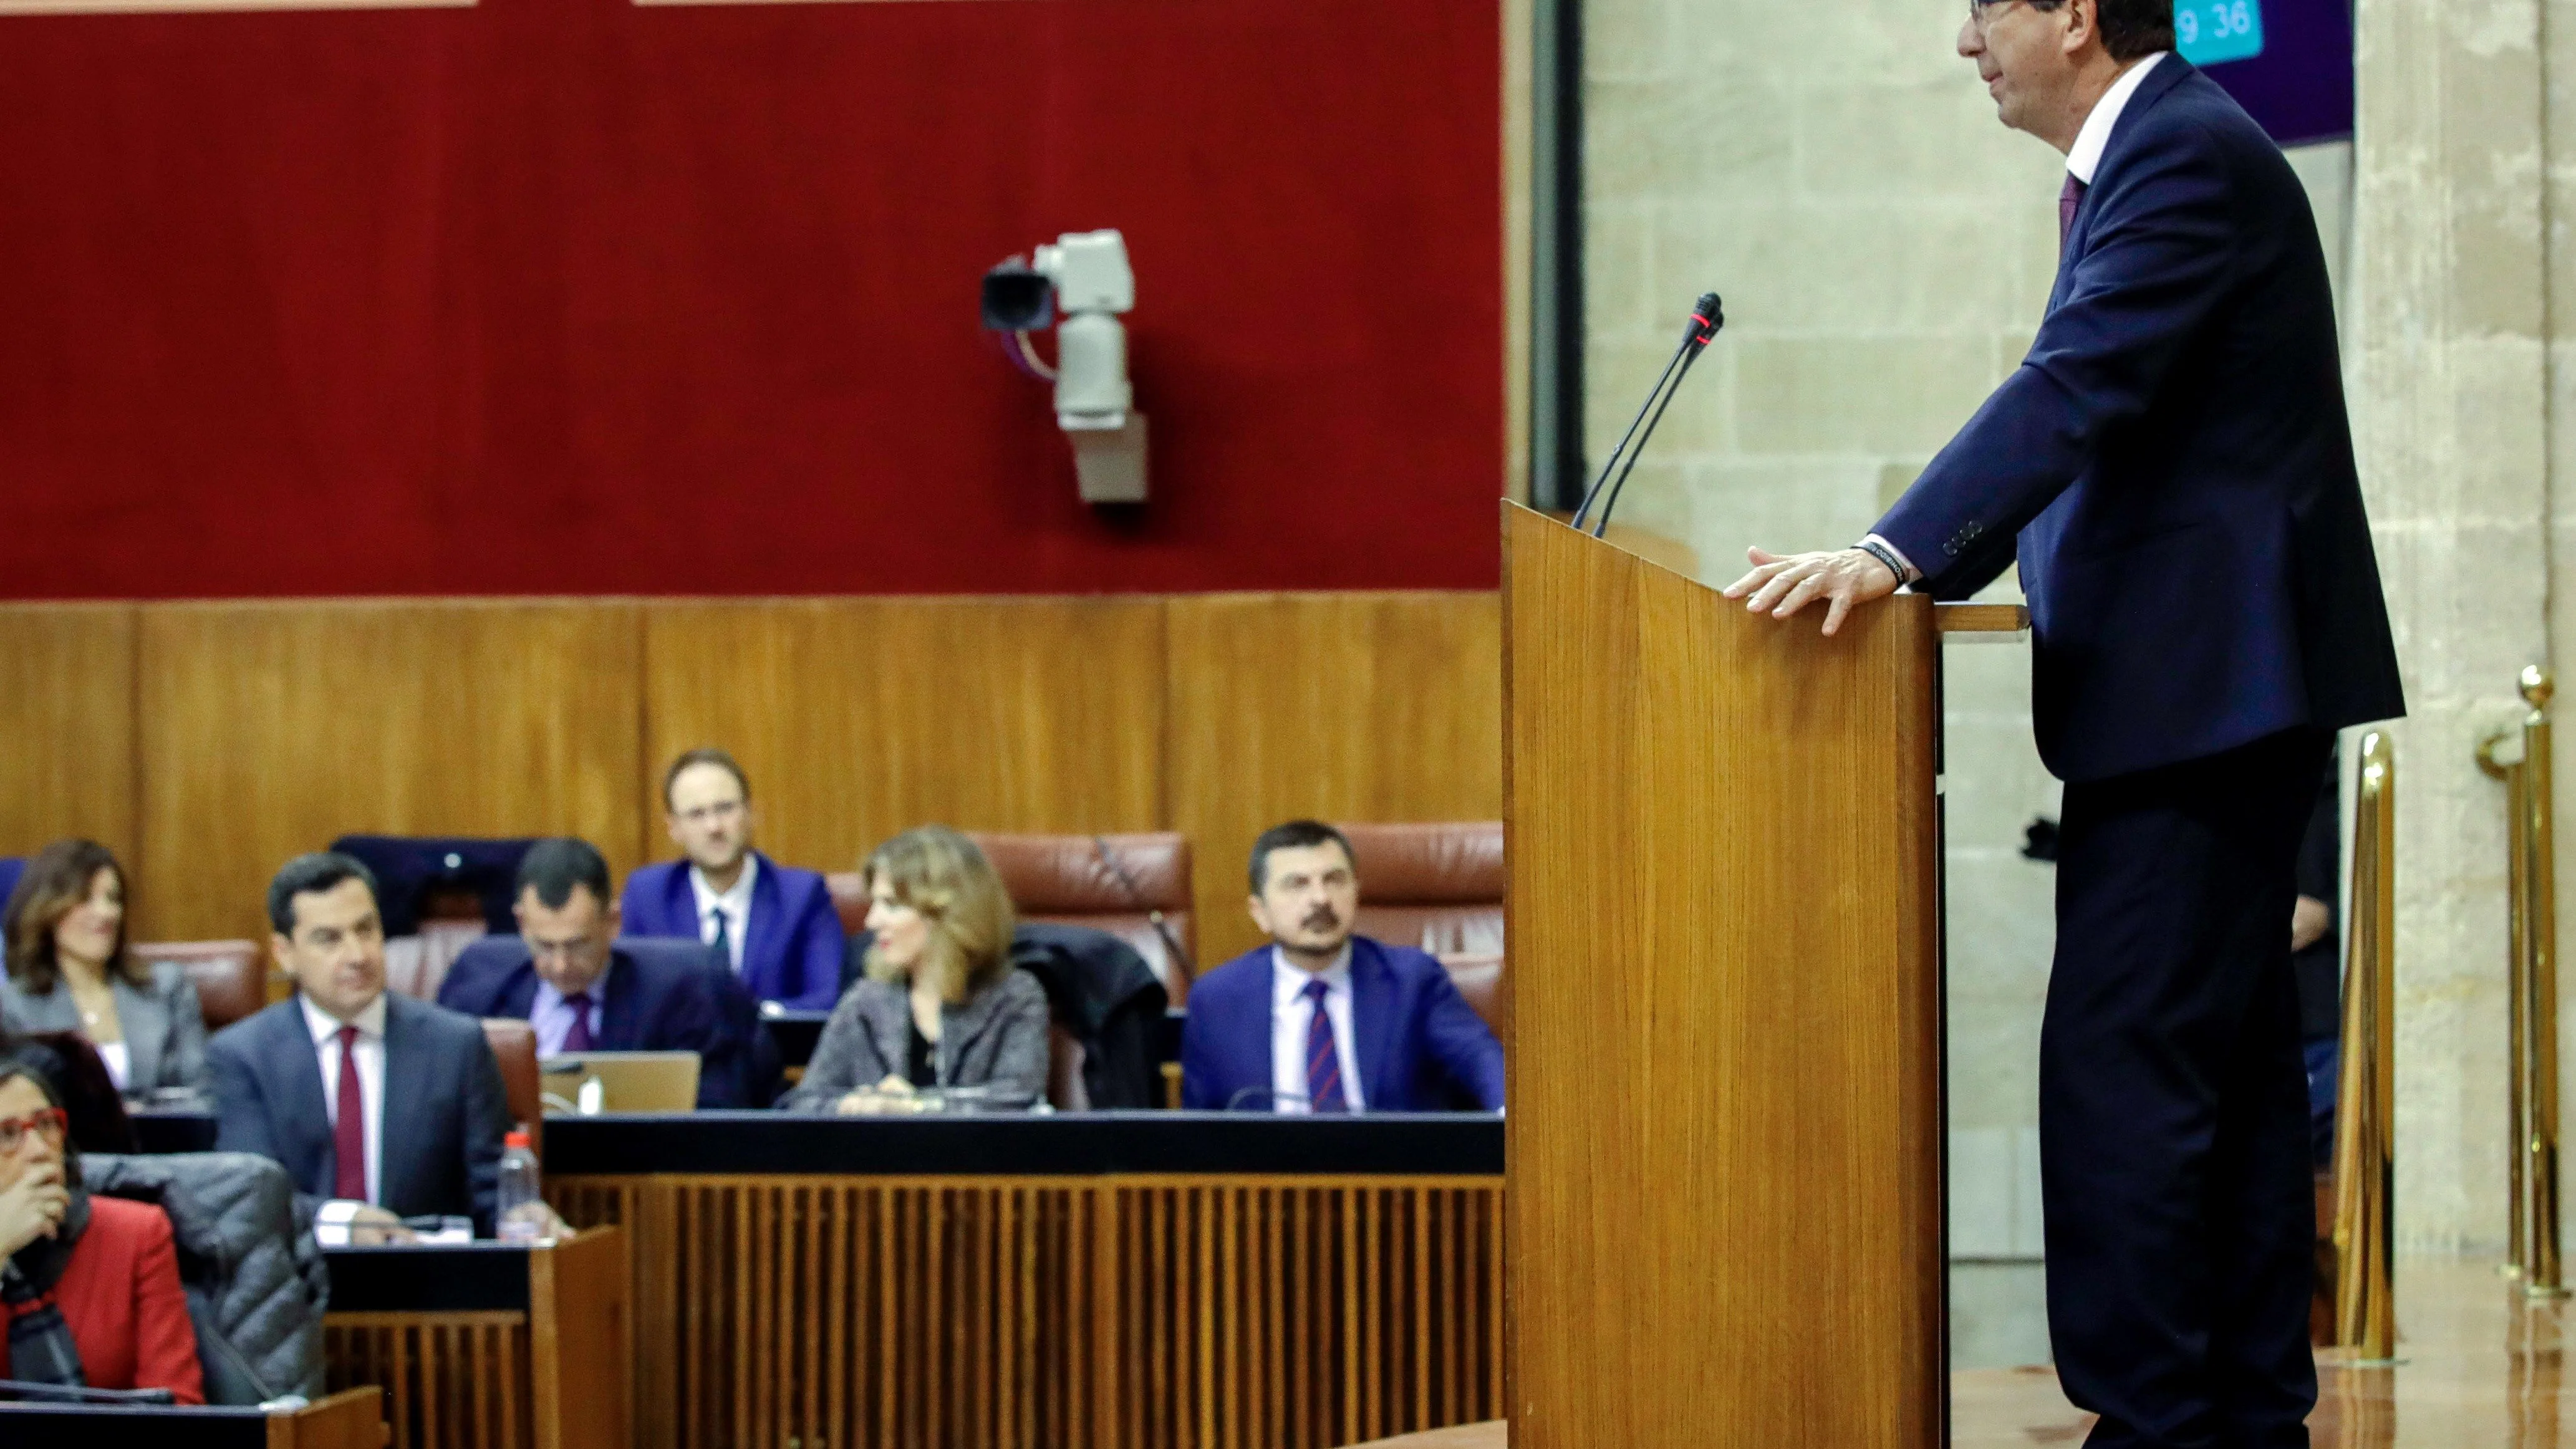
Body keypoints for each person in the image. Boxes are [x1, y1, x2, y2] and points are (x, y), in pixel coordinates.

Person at [1720, 2, 2404, 1442]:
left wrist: (1894, 551)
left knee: (2122, 1073)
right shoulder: (2157, 155)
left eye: (1984, 10)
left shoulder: (2182, 154)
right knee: (2215, 1075)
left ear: (2074, 15)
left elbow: (2076, 387)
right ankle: (2237, 1412)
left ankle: (2157, 1419)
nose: (1967, 42)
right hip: (2200, 698)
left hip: (2203, 704)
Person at [208, 854, 516, 1240]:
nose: (357, 956)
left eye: (366, 930)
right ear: (285, 953)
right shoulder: (243, 1056)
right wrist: (344, 1223)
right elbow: (248, 1197)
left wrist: (523, 1213)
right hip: (298, 1285)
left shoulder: (455, 1046)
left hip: (428, 1284)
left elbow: (494, 1194)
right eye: (329, 939)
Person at [1180, 821, 1504, 1113]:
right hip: (1268, 1176)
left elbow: (1479, 1058)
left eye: (1335, 880)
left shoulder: (1412, 980)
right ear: (1260, 911)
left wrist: (1510, 1115)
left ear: (1356, 894)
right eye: (1297, 884)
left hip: (1394, 1174)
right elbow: (1198, 1129)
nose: (1321, 898)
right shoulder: (1216, 1000)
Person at [438, 837, 758, 1109]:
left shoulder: (684, 995)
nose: (561, 965)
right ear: (522, 924)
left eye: (578, 945)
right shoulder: (477, 991)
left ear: (613, 922)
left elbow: (718, 1111)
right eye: (545, 947)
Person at [779, 827, 1049, 1113]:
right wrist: (853, 1106)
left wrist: (917, 1108)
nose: (871, 921)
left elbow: (1019, 1104)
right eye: (874, 903)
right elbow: (802, 1104)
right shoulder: (865, 1001)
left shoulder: (1015, 997)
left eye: (891, 905)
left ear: (946, 913)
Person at [0, 1057, 203, 1402]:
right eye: (7, 1134)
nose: (38, 1152)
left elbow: (179, 1407)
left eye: (47, 1125)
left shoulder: (136, 1234)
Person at [621, 748, 847, 1011]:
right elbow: (628, 1002)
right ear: (673, 827)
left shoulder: (802, 896)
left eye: (725, 808)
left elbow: (829, 999)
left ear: (751, 813)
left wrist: (753, 1020)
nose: (714, 827)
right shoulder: (648, 896)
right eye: (696, 814)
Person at [0, 840, 208, 1099]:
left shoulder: (167, 987)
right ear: (48, 909)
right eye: (86, 898)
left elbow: (200, 1092)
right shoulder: (15, 1006)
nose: (106, 913)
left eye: (113, 899)